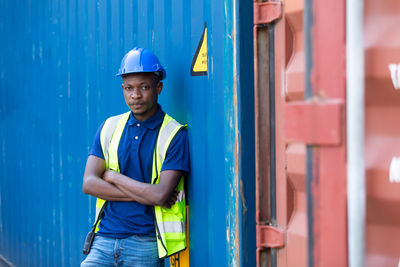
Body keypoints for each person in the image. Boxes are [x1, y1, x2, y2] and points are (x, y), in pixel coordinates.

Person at [81, 47, 189, 267]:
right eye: (129, 88)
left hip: (145, 242)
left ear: (158, 88)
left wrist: (113, 177)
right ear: (123, 89)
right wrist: (145, 193)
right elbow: (89, 183)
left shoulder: (174, 135)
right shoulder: (109, 128)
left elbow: (160, 196)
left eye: (144, 87)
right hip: (104, 239)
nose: (135, 95)